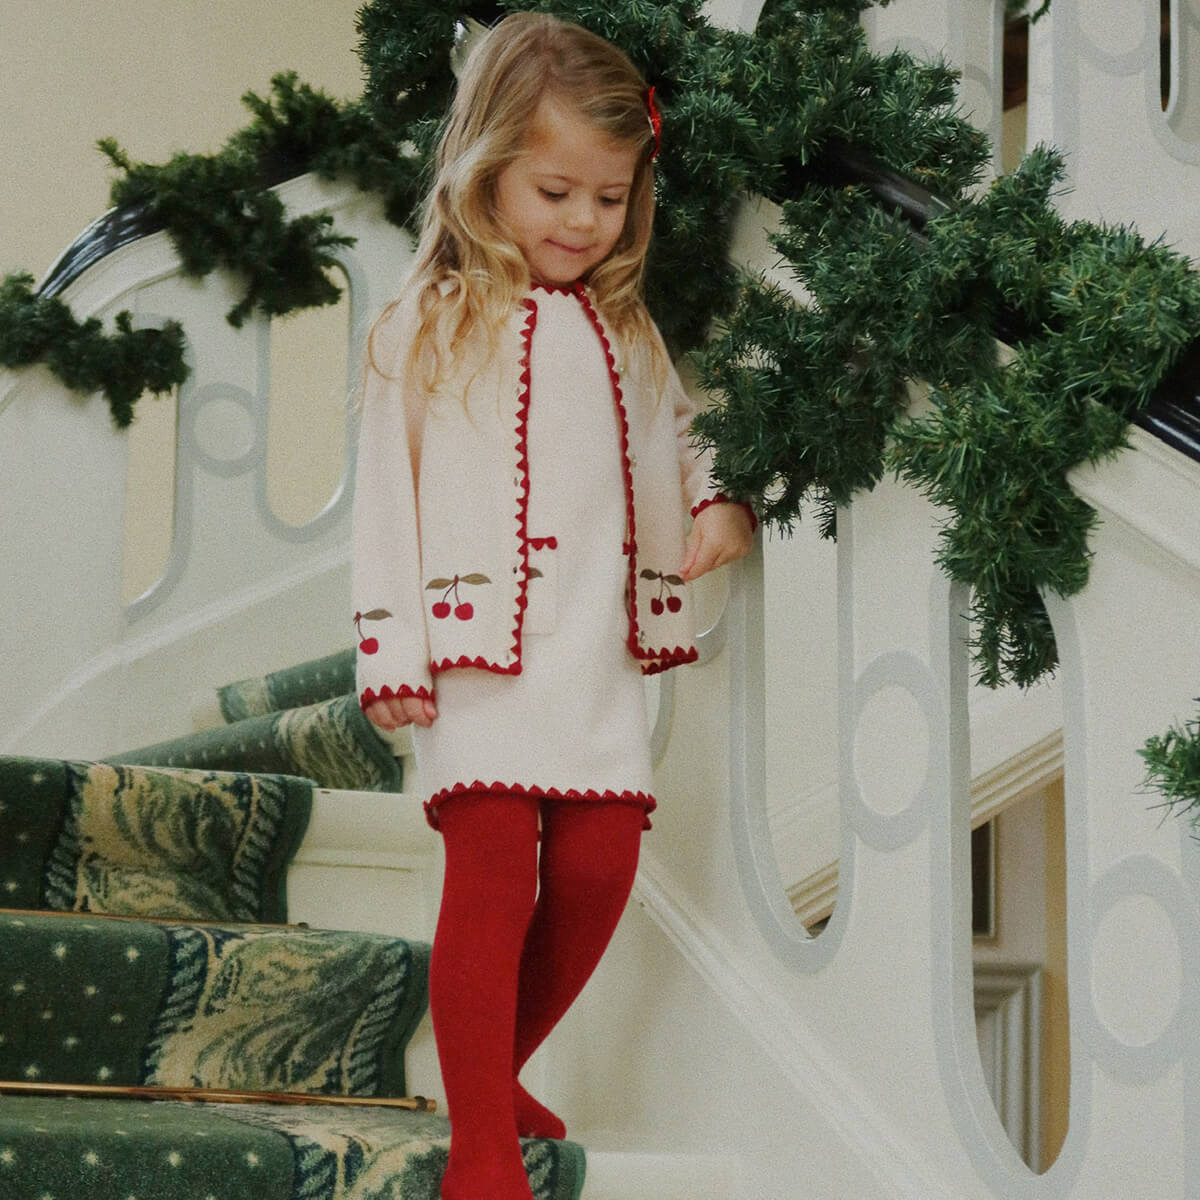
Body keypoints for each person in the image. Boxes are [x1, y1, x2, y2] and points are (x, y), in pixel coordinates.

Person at [352, 12, 755, 1199]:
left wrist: (721, 500)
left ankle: (493, 1068)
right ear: (486, 174)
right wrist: (391, 651)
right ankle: (482, 1144)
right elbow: (385, 496)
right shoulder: (425, 322)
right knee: (493, 882)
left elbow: (686, 433)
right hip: (474, 650)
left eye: (611, 198)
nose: (585, 222)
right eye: (556, 192)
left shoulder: (626, 328)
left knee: (597, 872)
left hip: (593, 650)